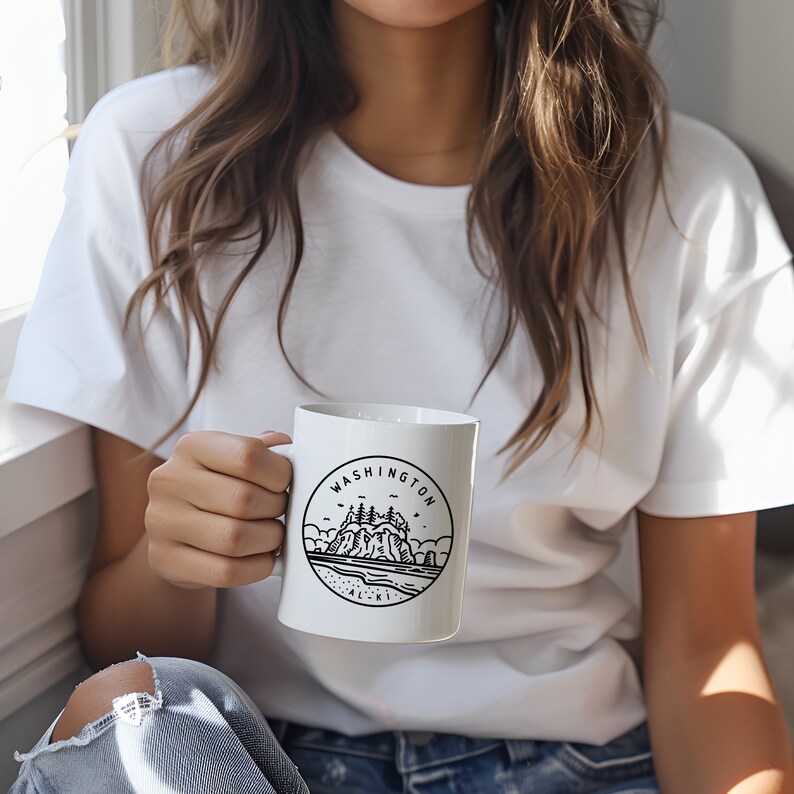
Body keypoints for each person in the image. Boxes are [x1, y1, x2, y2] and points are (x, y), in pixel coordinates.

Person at [6, 0, 794, 791]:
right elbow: (125, 642)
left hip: (575, 761)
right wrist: (175, 563)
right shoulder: (152, 155)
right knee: (126, 712)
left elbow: (705, 652)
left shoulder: (690, 198)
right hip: (257, 759)